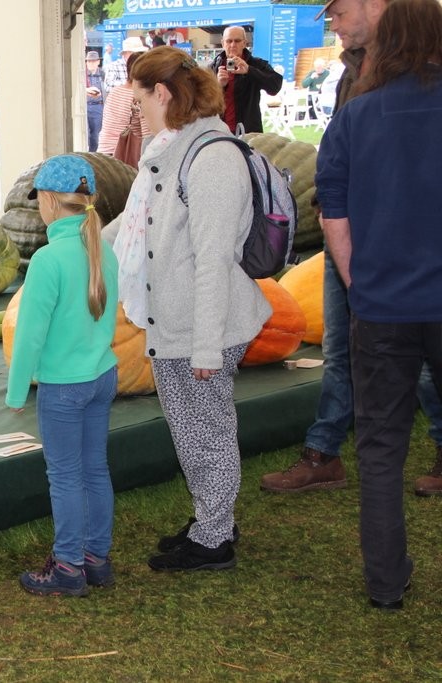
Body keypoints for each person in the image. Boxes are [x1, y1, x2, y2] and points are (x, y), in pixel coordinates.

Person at [259, 0, 442, 495]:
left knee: (422, 359)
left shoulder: (421, 73)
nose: (333, 26)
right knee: (340, 351)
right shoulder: (350, 75)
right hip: (350, 238)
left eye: (339, 14)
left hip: (404, 247)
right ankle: (324, 452)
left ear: (377, 7)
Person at [102, 46, 271, 572]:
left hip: (205, 324)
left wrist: (205, 346)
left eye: (141, 101)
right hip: (174, 317)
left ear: (165, 94)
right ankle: (211, 518)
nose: (138, 113)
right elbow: (143, 223)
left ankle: (215, 537)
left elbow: (214, 260)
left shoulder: (213, 158)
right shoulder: (170, 147)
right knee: (190, 427)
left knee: (206, 429)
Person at [314, 0, 442, 609]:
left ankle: (386, 582)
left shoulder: (355, 116)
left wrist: (356, 281)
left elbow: (331, 208)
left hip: (382, 303)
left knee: (382, 446)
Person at [6, 154, 120, 597]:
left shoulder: (47, 260)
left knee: (66, 476)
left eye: (39, 200)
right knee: (95, 468)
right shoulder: (103, 250)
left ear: (51, 201)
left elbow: (30, 335)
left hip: (64, 389)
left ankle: (68, 567)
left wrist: (17, 392)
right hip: (102, 377)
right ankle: (97, 558)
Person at [211, 26, 283, 133]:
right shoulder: (213, 67)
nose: (233, 45)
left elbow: (275, 87)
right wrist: (218, 86)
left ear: (244, 43)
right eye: (229, 41)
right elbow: (202, 102)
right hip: (220, 131)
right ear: (223, 43)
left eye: (237, 41)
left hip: (249, 131)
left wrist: (249, 70)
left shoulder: (256, 64)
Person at [98, 52, 152, 156]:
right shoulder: (139, 96)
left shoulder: (114, 92)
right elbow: (147, 137)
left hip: (103, 152)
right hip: (123, 154)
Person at [85, 51, 104, 152]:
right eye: (89, 61)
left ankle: (93, 153)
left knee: (95, 134)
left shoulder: (102, 73)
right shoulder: (83, 74)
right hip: (86, 105)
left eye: (93, 61)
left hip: (98, 107)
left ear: (98, 62)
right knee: (86, 133)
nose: (91, 63)